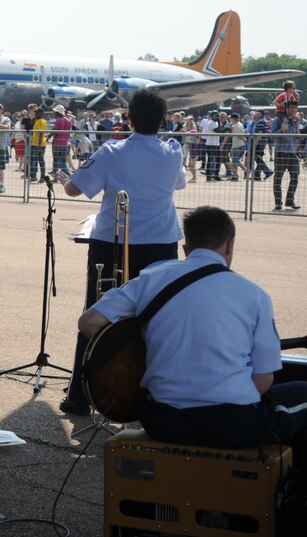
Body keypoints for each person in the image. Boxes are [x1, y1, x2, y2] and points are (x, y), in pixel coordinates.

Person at [78, 206, 307, 467]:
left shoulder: (151, 279)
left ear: (185, 248)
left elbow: (89, 322)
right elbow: (263, 381)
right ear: (230, 245)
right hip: (232, 425)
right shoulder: (254, 296)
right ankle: (306, 497)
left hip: (162, 421)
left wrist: (140, 352)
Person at [55, 89, 186, 416]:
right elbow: (179, 184)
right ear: (163, 119)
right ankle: (155, 393)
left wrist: (67, 176)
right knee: (157, 318)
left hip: (113, 242)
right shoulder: (173, 152)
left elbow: (73, 189)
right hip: (161, 244)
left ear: (128, 118)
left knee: (98, 313)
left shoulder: (112, 151)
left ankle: (81, 394)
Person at [271, 101, 302, 212]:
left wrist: (298, 123)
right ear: (287, 108)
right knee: (278, 178)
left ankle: (290, 200)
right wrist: (282, 130)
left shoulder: (294, 121)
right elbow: (272, 136)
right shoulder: (278, 120)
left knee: (295, 176)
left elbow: (298, 137)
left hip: (292, 153)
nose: (293, 109)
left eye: (295, 107)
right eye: (291, 107)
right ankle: (278, 202)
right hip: (281, 152)